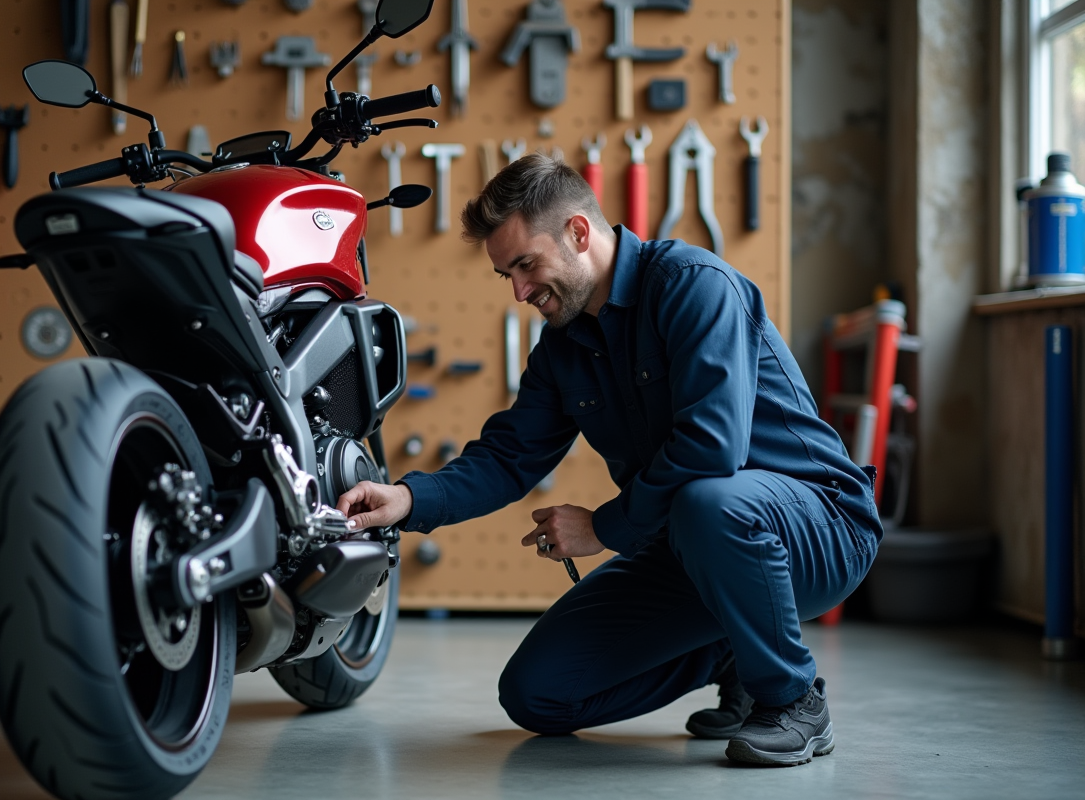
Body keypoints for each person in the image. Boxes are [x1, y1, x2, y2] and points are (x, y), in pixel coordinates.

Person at [335, 153, 882, 766]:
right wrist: (407, 499)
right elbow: (510, 455)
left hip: (818, 528)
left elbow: (712, 449)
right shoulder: (563, 348)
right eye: (505, 275)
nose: (518, 291)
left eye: (525, 265)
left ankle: (792, 699)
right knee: (537, 695)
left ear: (577, 232)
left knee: (711, 500)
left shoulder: (693, 286)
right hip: (689, 542)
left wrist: (602, 528)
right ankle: (732, 648)